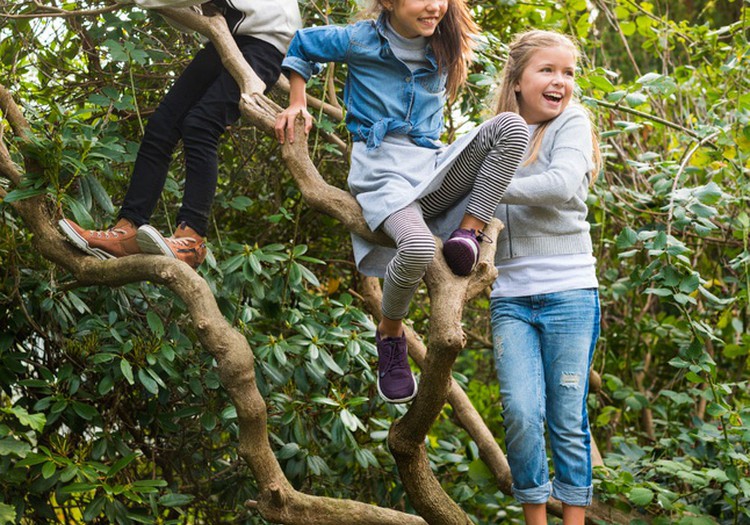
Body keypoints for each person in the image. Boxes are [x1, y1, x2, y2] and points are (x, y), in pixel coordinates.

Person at [275, 0, 529, 404]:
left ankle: (468, 233)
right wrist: (298, 100)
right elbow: (303, 43)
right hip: (382, 176)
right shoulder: (360, 39)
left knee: (512, 127)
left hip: (433, 168)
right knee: (418, 248)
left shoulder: (445, 42)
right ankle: (391, 333)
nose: (435, 6)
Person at [59, 0, 302, 268]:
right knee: (163, 124)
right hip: (229, 39)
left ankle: (192, 237)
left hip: (267, 43)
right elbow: (186, 16)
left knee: (201, 125)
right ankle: (127, 228)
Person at [488, 30, 602, 525]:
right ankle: (535, 519)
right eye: (547, 70)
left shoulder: (572, 123)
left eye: (568, 72)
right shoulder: (494, 132)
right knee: (519, 412)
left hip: (570, 291)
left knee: (566, 418)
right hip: (511, 295)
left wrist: (488, 184)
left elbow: (559, 185)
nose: (560, 82)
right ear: (517, 80)